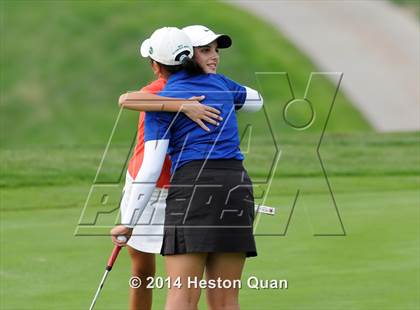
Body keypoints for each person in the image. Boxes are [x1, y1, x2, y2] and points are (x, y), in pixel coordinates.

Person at [112, 26, 263, 310]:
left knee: (182, 297)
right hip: (236, 185)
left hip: (193, 189)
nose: (214, 56)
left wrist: (129, 222)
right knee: (226, 299)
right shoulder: (222, 84)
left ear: (156, 64)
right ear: (191, 56)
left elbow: (150, 168)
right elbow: (256, 102)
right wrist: (218, 88)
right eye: (206, 50)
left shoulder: (161, 102)